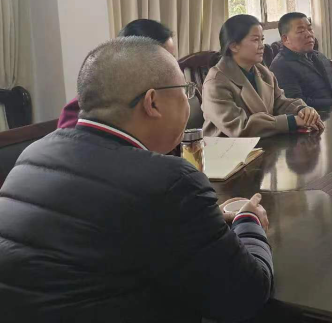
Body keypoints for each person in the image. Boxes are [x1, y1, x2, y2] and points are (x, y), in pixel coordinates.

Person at [0, 38, 274, 321]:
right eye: (185, 91)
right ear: (152, 103)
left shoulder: (34, 153)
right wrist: (248, 220)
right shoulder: (171, 181)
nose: (189, 100)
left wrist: (203, 220)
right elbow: (245, 296)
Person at [202, 14, 324, 137]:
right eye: (255, 40)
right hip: (229, 147)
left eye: (262, 39)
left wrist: (302, 110)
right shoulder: (215, 82)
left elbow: (280, 102)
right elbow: (240, 127)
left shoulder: (263, 72)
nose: (262, 46)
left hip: (265, 142)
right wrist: (292, 121)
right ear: (234, 46)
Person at [57, 18, 177, 129]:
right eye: (168, 60)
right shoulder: (90, 104)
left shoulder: (161, 94)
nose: (175, 67)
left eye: (174, 58)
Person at [270, 12, 332, 110]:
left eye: (310, 29)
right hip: (315, 117)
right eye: (301, 31)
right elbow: (297, 103)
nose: (309, 34)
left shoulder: (319, 56)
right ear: (285, 39)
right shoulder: (281, 66)